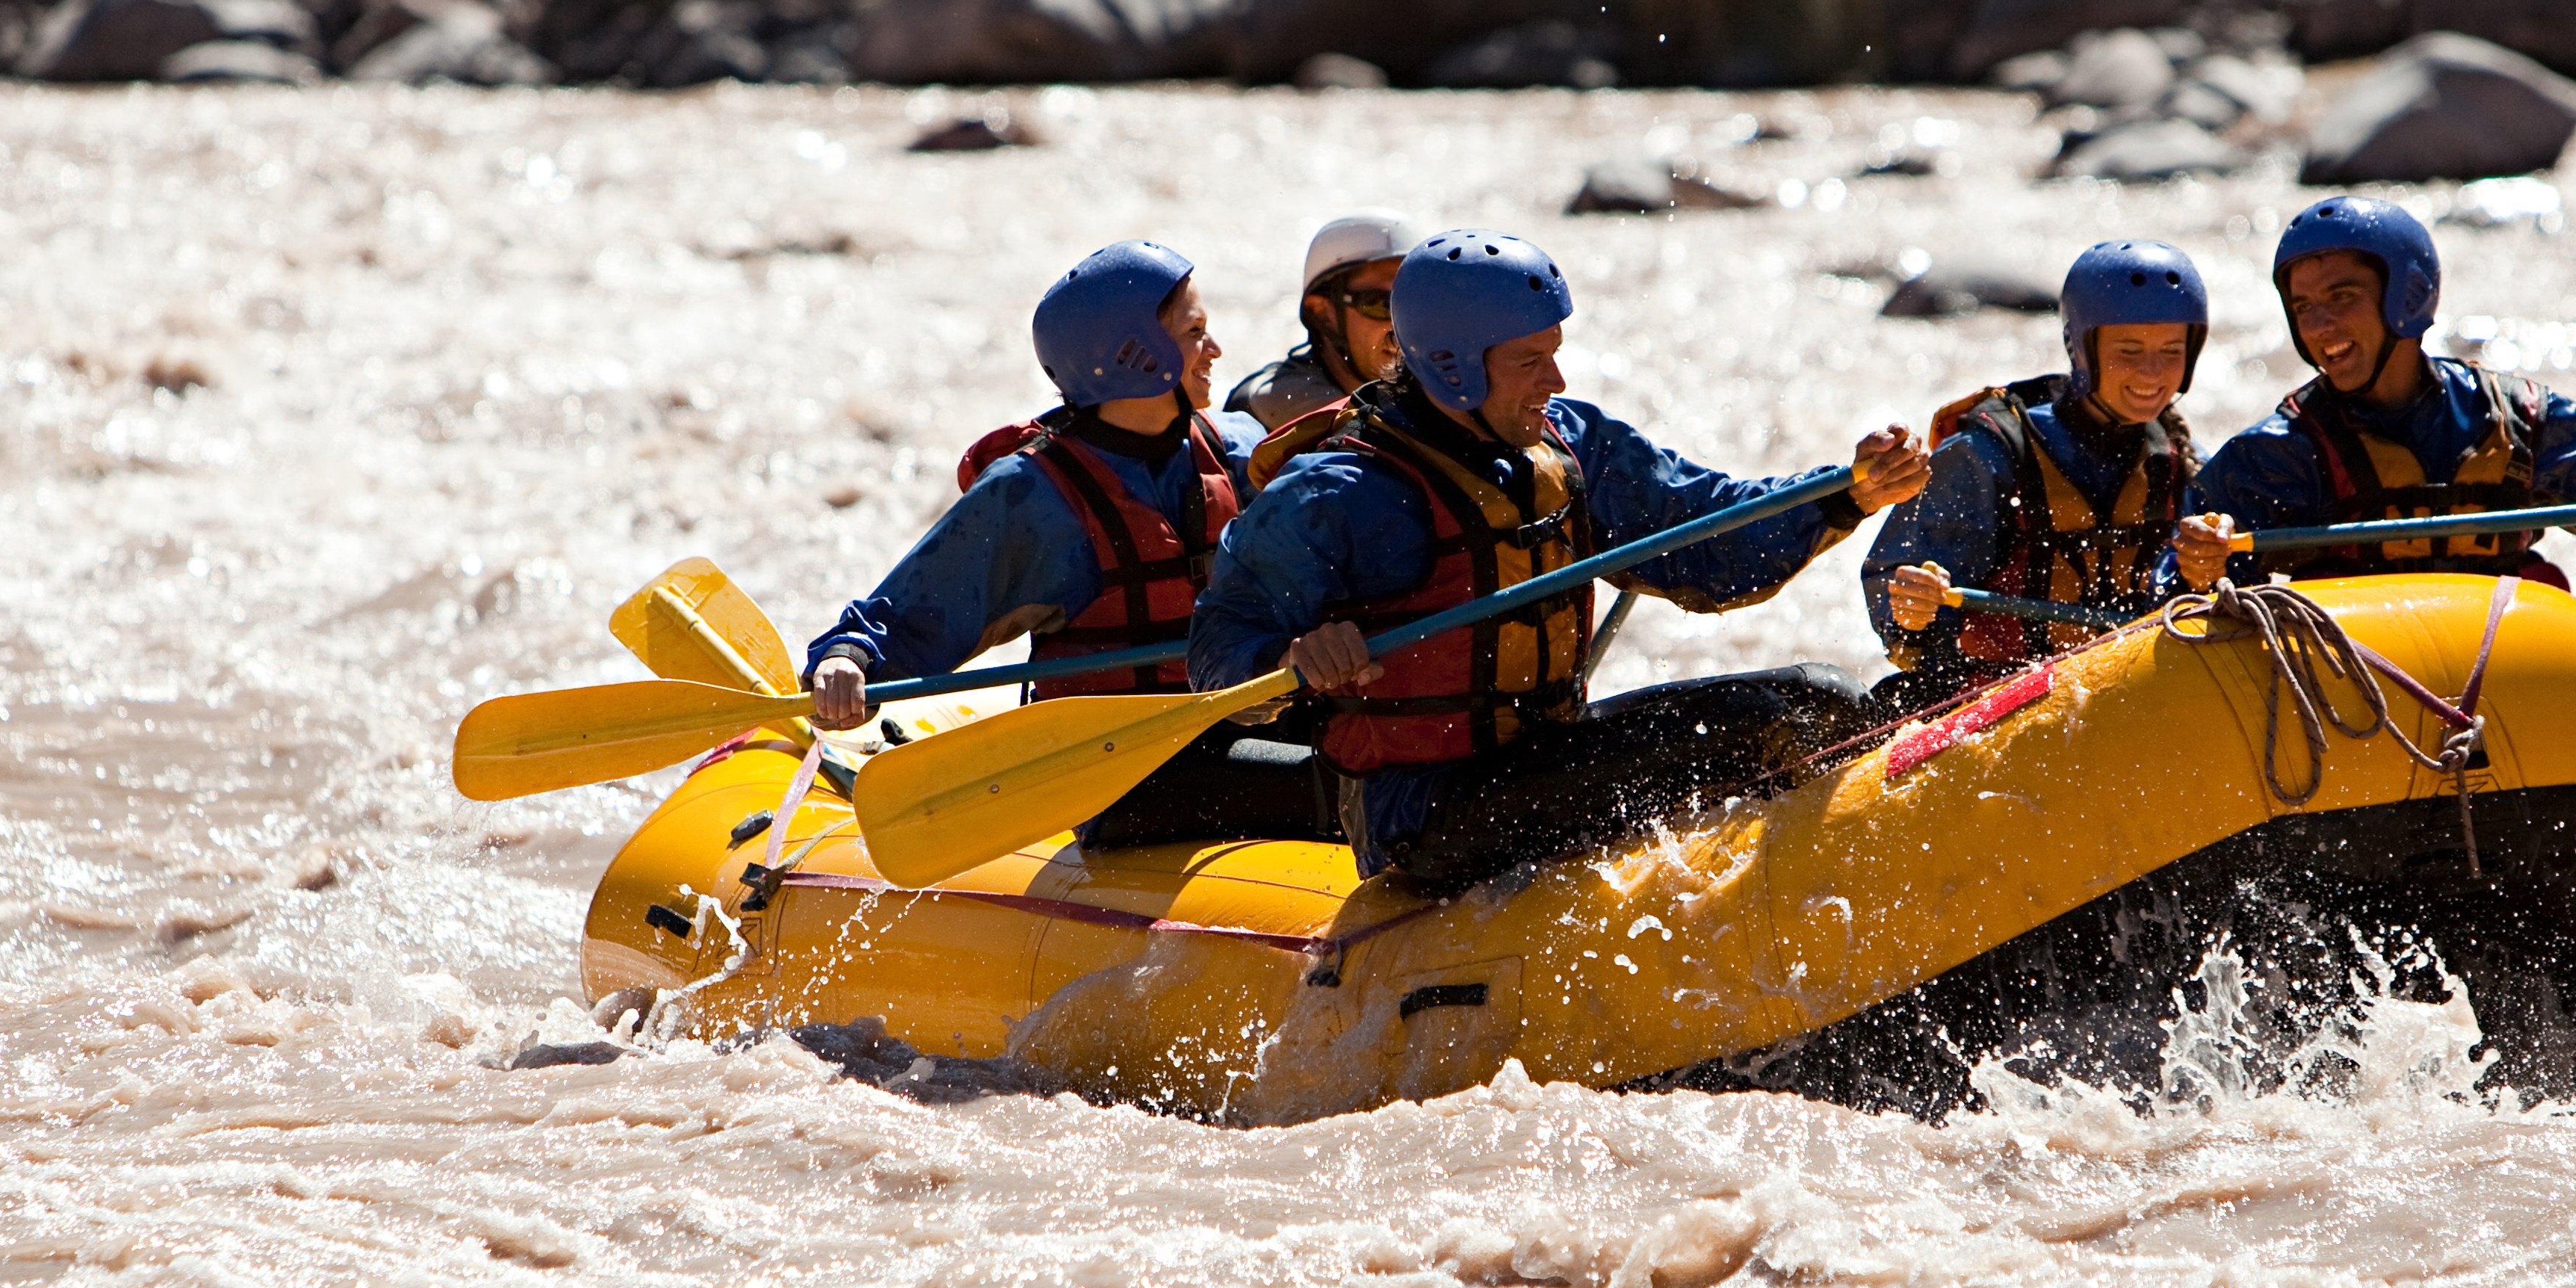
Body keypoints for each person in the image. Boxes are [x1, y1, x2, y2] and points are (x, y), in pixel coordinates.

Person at [1192, 229, 1932, 896]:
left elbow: (1711, 542)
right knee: (1769, 721)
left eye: (1554, 353)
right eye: (1530, 360)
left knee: (1818, 700)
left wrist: (1847, 492)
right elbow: (1219, 652)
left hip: (1543, 759)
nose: (1556, 380)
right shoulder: (1338, 492)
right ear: (1452, 368)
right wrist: (1292, 653)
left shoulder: (1567, 443)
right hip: (1423, 813)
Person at [804, 239, 1331, 847]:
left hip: (1233, 718)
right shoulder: (1036, 498)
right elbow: (907, 617)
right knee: (1330, 781)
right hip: (1115, 772)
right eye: (1195, 333)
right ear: (1138, 357)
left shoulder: (1233, 449)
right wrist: (849, 660)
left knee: (1373, 747)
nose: (1215, 350)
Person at [2188, 196, 2576, 584]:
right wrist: (2199, 560)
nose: (2319, 325)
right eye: (2303, 307)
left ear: (2404, 297)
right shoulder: (2284, 450)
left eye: (2342, 297)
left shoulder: (2517, 421)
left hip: (2501, 678)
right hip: (2354, 694)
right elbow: (2184, 576)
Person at [1864, 237, 2240, 701]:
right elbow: (1894, 587)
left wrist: (2204, 572)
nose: (2151, 373)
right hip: (1999, 695)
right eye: (2128, 350)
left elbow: (2186, 600)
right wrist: (1912, 611)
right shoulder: (1990, 454)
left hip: (2125, 688)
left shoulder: (2179, 460)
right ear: (2081, 347)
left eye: (2170, 352)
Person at [1225, 208, 1416, 457]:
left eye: (1415, 301)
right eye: (1380, 304)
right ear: (1323, 313)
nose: (1402, 324)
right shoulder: (1277, 402)